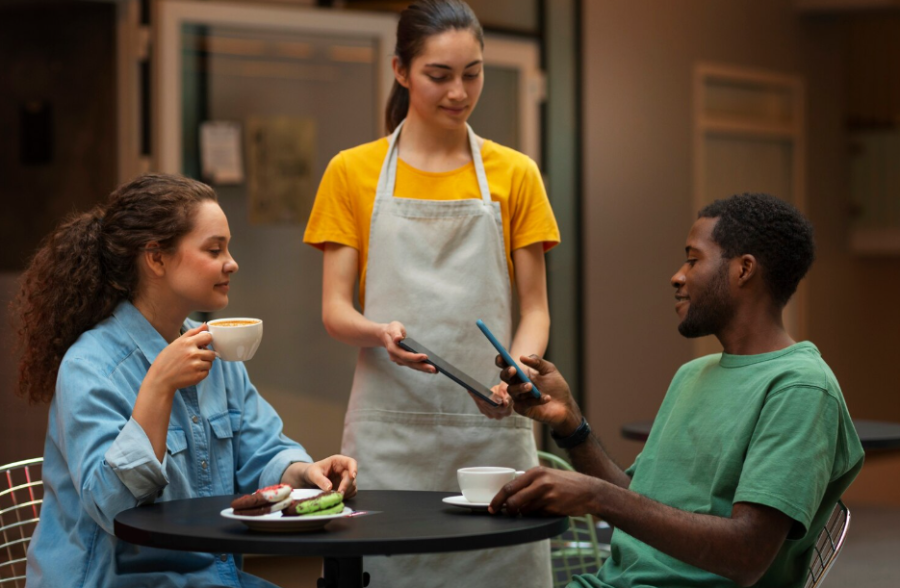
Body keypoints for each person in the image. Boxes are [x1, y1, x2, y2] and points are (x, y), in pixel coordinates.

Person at [302, 0, 559, 585]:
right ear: (400, 70)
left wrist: (517, 370)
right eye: (439, 76)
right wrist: (379, 332)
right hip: (389, 438)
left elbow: (536, 308)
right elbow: (336, 312)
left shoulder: (515, 173)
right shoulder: (352, 172)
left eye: (472, 73)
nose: (459, 92)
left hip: (492, 429)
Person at [490, 193, 865, 588]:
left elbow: (747, 554)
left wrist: (596, 497)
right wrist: (571, 424)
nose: (677, 275)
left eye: (693, 258)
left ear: (744, 270)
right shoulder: (692, 374)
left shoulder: (801, 387)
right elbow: (644, 502)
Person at [13, 173, 358, 588]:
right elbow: (111, 507)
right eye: (215, 249)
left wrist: (303, 472)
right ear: (156, 258)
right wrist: (158, 387)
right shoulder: (91, 364)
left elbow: (260, 450)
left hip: (210, 576)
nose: (232, 262)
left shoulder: (217, 350)